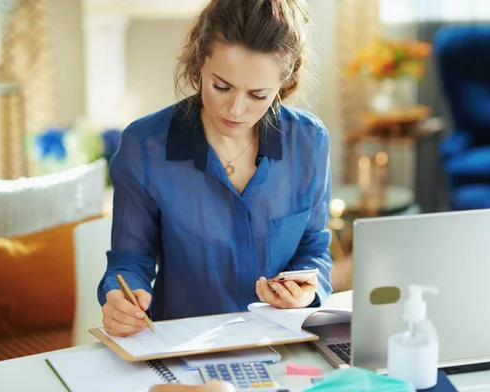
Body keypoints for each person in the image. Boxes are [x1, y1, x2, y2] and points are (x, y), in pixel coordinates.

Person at [97, 0, 333, 339]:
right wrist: (121, 300)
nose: (236, 109)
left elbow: (314, 250)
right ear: (198, 65)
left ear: (285, 83)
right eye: (221, 86)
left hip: (281, 341)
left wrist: (305, 290)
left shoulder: (310, 141)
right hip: (181, 348)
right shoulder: (145, 145)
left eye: (257, 94)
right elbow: (128, 260)